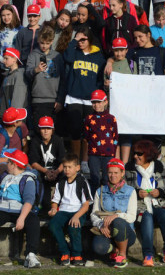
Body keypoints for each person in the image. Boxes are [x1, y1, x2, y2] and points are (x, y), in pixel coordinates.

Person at [0, 149, 42, 268]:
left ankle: (31, 254)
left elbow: (29, 201)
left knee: (33, 221)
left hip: (19, 209)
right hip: (0, 207)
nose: (6, 164)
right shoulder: (4, 176)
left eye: (8, 162)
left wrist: (22, 218)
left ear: (14, 165)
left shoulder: (28, 179)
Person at [126, 139, 165, 266]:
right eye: (134, 153)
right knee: (146, 219)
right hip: (140, 206)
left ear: (148, 154)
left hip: (159, 203)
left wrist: (160, 192)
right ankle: (148, 255)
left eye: (139, 154)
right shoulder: (129, 169)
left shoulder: (160, 167)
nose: (135, 156)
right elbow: (125, 191)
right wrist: (137, 193)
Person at [57, 25, 106, 156]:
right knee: (75, 130)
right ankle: (75, 159)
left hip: (91, 99)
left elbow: (100, 77)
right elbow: (67, 58)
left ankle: (85, 161)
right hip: (74, 96)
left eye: (83, 40)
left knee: (89, 131)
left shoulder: (98, 56)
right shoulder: (74, 52)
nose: (80, 42)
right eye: (78, 40)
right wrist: (74, 40)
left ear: (89, 40)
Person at [90, 158, 137, 268]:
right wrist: (100, 225)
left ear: (122, 173)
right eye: (110, 173)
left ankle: (122, 255)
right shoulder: (100, 191)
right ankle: (115, 249)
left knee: (119, 222)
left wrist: (116, 216)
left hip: (126, 232)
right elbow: (93, 214)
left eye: (116, 172)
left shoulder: (130, 191)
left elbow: (131, 217)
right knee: (98, 247)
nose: (113, 175)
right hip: (107, 231)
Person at [48, 153, 93, 267]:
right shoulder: (61, 183)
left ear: (77, 168)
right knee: (53, 225)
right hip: (63, 211)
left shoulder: (82, 182)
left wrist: (77, 216)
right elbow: (55, 201)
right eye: (65, 167)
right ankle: (65, 252)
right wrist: (53, 209)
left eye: (70, 167)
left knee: (74, 226)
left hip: (78, 211)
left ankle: (76, 254)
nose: (67, 170)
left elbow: (86, 205)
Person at [25, 26, 62, 131]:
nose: (44, 46)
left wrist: (60, 100)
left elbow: (63, 80)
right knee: (39, 131)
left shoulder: (57, 56)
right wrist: (36, 70)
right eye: (42, 43)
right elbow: (27, 74)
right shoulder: (33, 55)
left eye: (47, 43)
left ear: (52, 42)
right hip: (38, 100)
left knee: (53, 132)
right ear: (38, 40)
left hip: (54, 101)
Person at [82, 90, 118, 193]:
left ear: (105, 102)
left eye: (99, 102)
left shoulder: (112, 118)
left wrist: (113, 154)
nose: (96, 105)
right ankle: (94, 203)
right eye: (94, 102)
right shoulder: (88, 118)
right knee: (95, 178)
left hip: (108, 154)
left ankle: (106, 201)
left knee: (108, 179)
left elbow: (115, 137)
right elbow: (86, 137)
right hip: (94, 154)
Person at [28, 116, 66, 212]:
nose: (45, 131)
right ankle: (38, 203)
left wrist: (56, 172)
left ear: (52, 130)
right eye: (43, 128)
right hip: (42, 171)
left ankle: (63, 202)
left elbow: (64, 161)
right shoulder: (35, 141)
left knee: (66, 173)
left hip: (56, 171)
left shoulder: (58, 140)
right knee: (34, 175)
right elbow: (33, 162)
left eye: (48, 128)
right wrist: (46, 171)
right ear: (39, 129)